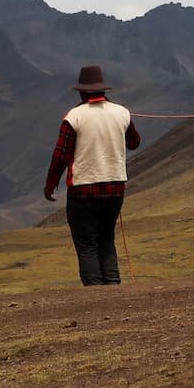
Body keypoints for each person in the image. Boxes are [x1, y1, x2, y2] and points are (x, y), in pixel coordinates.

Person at [44, 65, 141, 286]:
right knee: (107, 238)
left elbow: (61, 156)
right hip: (116, 188)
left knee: (87, 245)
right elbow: (135, 143)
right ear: (103, 89)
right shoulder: (122, 113)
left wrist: (50, 184)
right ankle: (113, 288)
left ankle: (95, 295)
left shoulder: (73, 117)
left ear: (81, 91)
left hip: (83, 190)